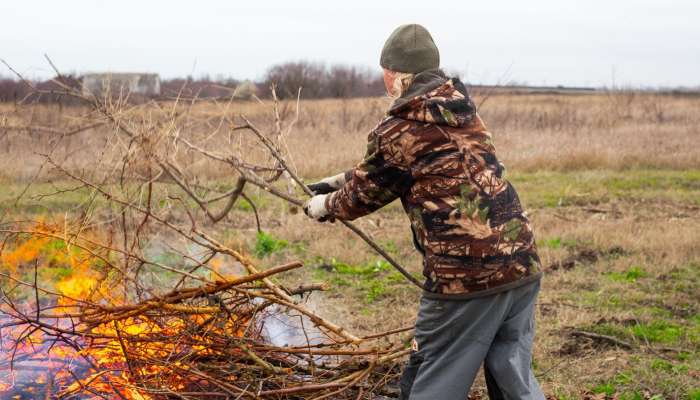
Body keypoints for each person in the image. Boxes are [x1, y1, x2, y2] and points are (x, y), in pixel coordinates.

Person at [303, 24, 545, 400]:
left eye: (384, 71)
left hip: (464, 277)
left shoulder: (400, 126)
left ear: (398, 76)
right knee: (513, 378)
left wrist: (324, 206)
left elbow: (365, 194)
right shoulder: (463, 113)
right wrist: (339, 179)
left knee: (433, 378)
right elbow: (419, 163)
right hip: (521, 262)